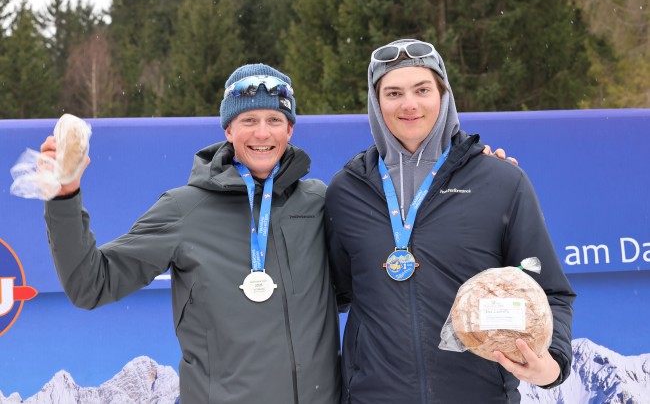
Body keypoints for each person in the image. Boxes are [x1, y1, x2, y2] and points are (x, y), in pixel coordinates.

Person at [40, 64, 342, 403]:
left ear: (289, 129)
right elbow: (91, 283)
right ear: (229, 129)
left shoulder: (318, 202)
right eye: (248, 120)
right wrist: (63, 198)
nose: (262, 133)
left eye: (274, 120)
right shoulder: (185, 209)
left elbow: (355, 289)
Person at [324, 39, 576, 403]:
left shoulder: (500, 181)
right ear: (376, 103)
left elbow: (548, 289)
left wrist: (551, 363)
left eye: (422, 90)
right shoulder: (347, 191)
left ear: (443, 96)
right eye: (393, 93)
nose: (409, 104)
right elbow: (335, 293)